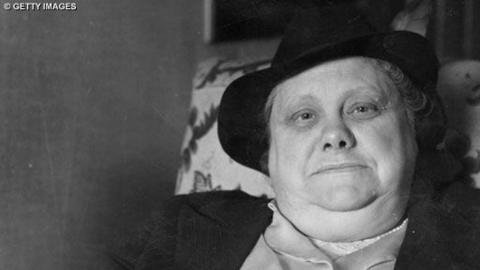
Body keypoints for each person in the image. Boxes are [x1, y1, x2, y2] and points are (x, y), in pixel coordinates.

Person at [117, 2, 480, 270]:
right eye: (304, 116)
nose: (335, 135)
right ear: (268, 151)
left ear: (412, 130)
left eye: (363, 108)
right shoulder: (178, 230)